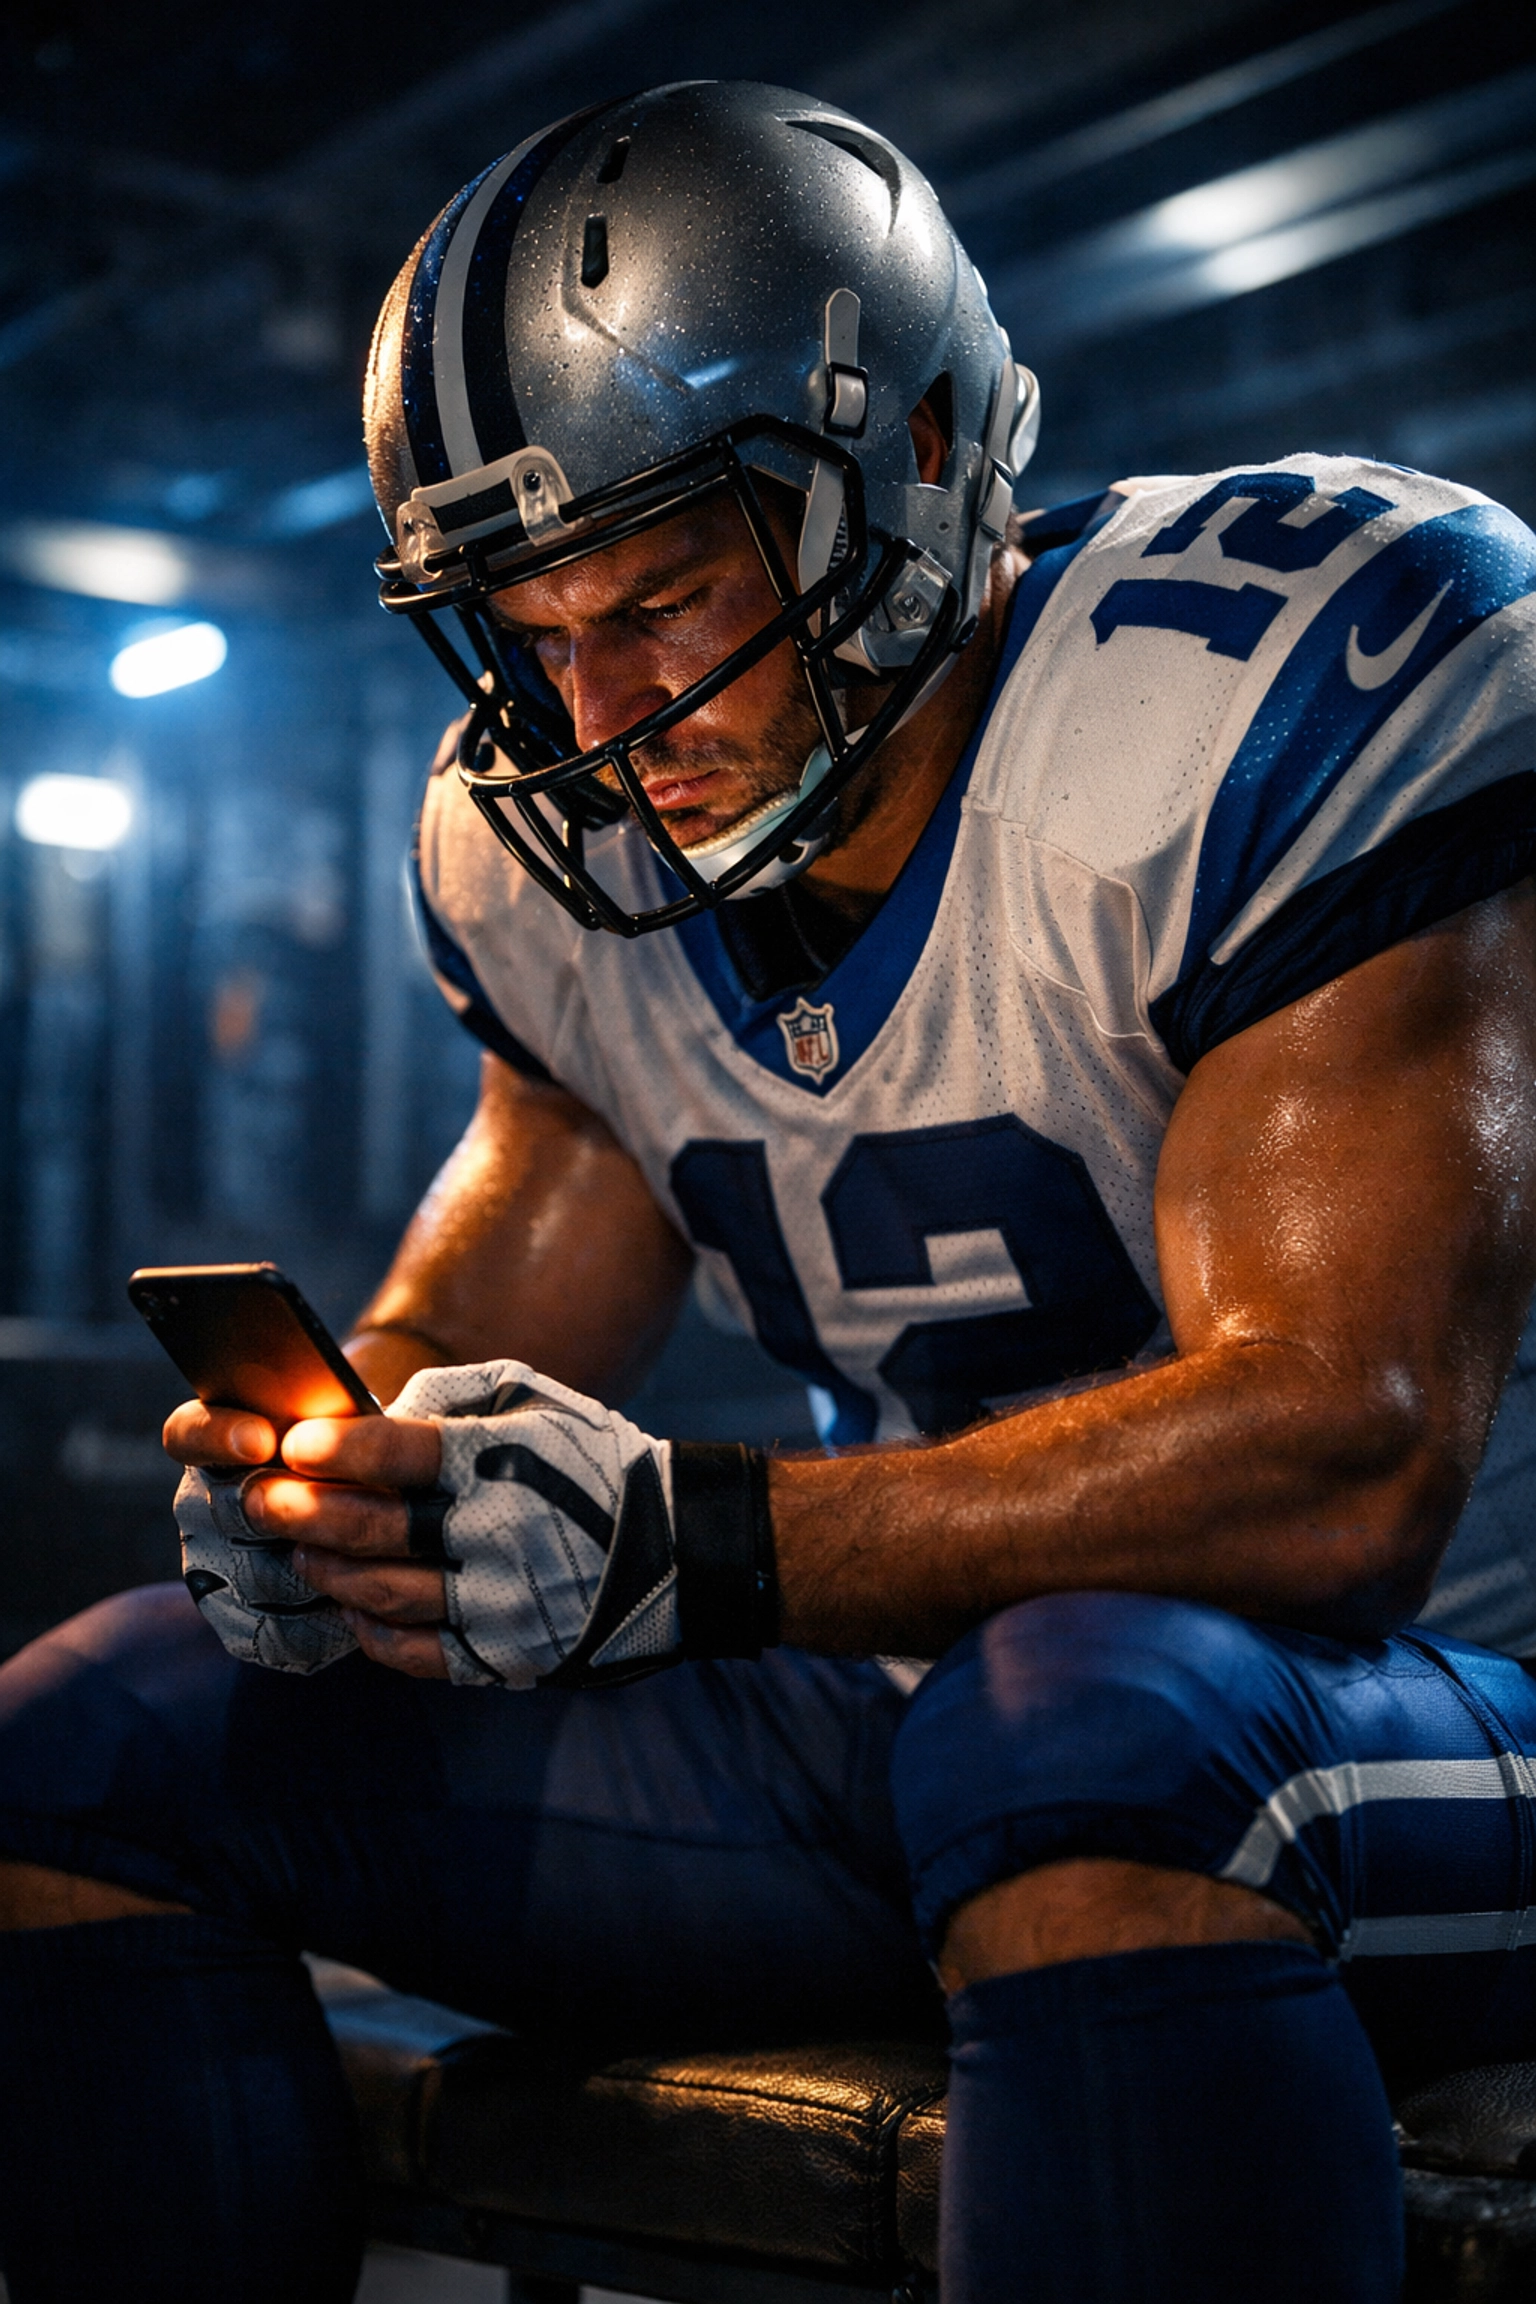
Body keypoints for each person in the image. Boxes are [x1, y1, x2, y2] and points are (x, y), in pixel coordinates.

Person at [1, 76, 1535, 2304]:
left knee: (1093, 1721)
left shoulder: (1279, 672)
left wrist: (696, 1544)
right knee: (79, 1750)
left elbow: (1346, 1451)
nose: (598, 708)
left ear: (910, 466)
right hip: (936, 1733)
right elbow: (491, 1292)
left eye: (659, 597)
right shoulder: (553, 859)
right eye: (530, 627)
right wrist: (349, 1493)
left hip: (1435, 1701)